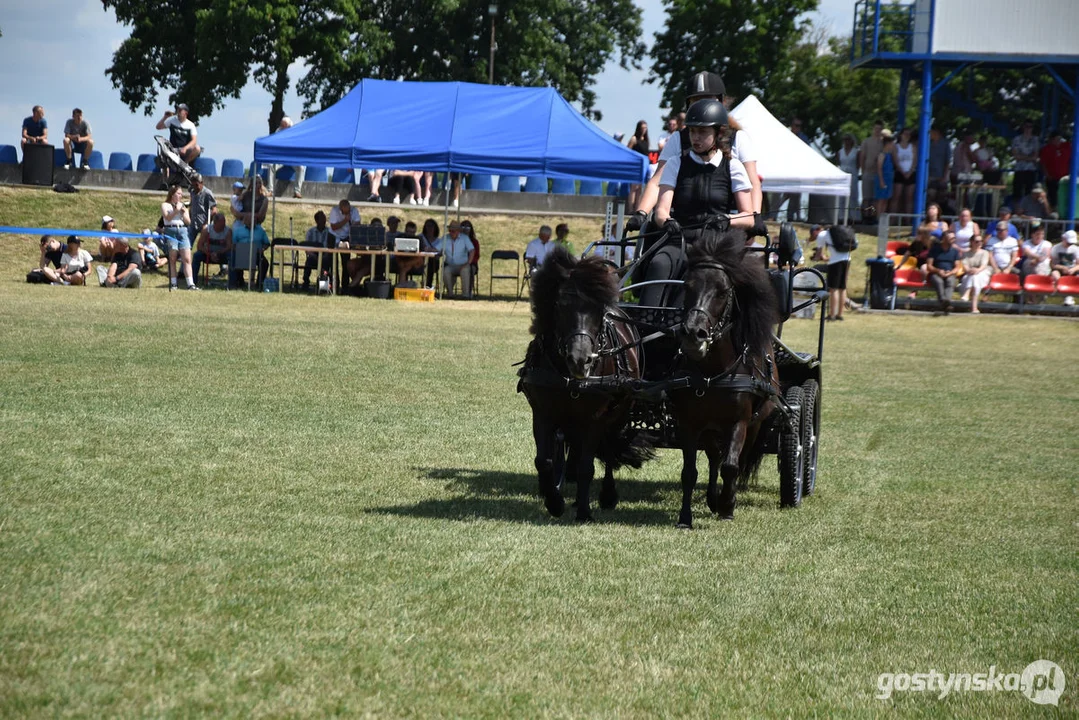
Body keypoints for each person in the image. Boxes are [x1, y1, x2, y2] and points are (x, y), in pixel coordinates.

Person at [645, 99, 756, 307]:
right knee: (659, 263)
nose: (696, 137)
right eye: (692, 131)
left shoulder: (733, 167)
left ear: (717, 134)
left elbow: (748, 217)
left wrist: (728, 220)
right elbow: (661, 210)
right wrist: (666, 221)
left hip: (717, 247)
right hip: (680, 242)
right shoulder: (675, 164)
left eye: (702, 132)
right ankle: (645, 326)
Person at [633, 71, 762, 224]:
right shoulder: (678, 139)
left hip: (728, 222)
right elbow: (656, 182)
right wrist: (641, 212)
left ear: (720, 102)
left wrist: (754, 217)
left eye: (707, 100)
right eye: (696, 101)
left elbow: (753, 183)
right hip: (682, 223)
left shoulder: (738, 138)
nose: (702, 106)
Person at [231, 178, 270, 288]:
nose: (257, 185)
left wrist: (245, 215)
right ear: (251, 184)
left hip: (256, 228)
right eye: (255, 183)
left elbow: (260, 216)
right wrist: (247, 216)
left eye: (259, 183)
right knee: (237, 255)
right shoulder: (245, 196)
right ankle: (240, 281)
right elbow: (233, 209)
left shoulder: (264, 200)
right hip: (242, 227)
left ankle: (258, 283)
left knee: (263, 262)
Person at [160, 185, 197, 290]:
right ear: (172, 194)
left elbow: (188, 222)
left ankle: (190, 284)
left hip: (182, 231)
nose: (181, 196)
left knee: (187, 258)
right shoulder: (165, 205)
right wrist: (176, 210)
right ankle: (173, 283)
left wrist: (184, 212)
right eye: (178, 193)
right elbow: (167, 217)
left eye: (181, 193)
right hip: (171, 230)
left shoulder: (182, 207)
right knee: (172, 258)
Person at [811, 225, 851, 321]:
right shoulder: (839, 233)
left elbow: (819, 253)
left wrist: (816, 258)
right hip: (847, 259)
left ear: (818, 230)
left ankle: (832, 315)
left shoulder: (822, 235)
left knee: (833, 288)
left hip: (835, 262)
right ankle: (840, 314)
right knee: (842, 287)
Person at [435, 220, 475, 298]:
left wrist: (468, 263)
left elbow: (472, 250)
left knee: (465, 270)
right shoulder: (445, 238)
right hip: (450, 265)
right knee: (445, 270)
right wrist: (429, 249)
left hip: (463, 264)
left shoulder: (465, 238)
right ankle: (450, 294)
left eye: (453, 231)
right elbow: (437, 249)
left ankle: (465, 295)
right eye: (450, 230)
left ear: (458, 231)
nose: (451, 232)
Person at [926, 230, 961, 314]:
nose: (953, 240)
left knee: (950, 281)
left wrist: (950, 273)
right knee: (939, 281)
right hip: (936, 273)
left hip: (949, 273)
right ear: (944, 239)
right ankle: (945, 302)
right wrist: (938, 271)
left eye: (954, 238)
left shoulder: (955, 251)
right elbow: (929, 266)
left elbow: (957, 267)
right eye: (951, 238)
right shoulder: (934, 250)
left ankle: (945, 302)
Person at [192, 212, 233, 284]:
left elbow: (229, 246)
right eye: (221, 223)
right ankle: (193, 281)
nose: (223, 225)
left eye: (224, 223)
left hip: (222, 254)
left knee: (232, 256)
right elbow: (199, 246)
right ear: (215, 223)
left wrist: (218, 253)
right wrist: (210, 254)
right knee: (196, 255)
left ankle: (233, 282)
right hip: (208, 254)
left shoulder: (228, 231)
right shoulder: (206, 230)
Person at [328, 198, 360, 285]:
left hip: (346, 236)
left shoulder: (354, 211)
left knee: (346, 262)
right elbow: (334, 226)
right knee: (333, 262)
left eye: (347, 212)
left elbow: (357, 223)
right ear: (340, 209)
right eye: (344, 212)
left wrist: (352, 225)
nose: (346, 213)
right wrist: (345, 220)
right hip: (334, 235)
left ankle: (345, 286)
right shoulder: (334, 211)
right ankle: (335, 284)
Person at [857, 120, 885, 216]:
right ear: (873, 129)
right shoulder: (866, 141)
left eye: (879, 129)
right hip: (868, 172)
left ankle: (873, 216)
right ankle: (864, 216)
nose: (877, 131)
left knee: (875, 198)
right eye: (876, 129)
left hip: (878, 174)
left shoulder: (883, 143)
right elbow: (862, 156)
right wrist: (863, 170)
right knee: (866, 197)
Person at [958, 234, 991, 312]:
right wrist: (970, 270)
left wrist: (977, 270)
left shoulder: (985, 253)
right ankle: (974, 308)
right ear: (971, 242)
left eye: (981, 241)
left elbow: (984, 265)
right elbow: (965, 266)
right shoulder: (966, 254)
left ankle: (967, 292)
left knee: (975, 277)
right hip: (970, 274)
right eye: (977, 241)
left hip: (983, 273)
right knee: (974, 279)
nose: (979, 243)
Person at [300, 210, 331, 290]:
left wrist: (324, 256)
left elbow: (330, 246)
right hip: (313, 255)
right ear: (316, 221)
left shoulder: (330, 232)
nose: (324, 221)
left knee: (327, 260)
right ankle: (305, 283)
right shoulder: (310, 232)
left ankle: (323, 285)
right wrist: (314, 256)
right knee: (309, 260)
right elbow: (307, 249)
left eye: (324, 218)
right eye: (322, 219)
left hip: (325, 255)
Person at [275, 116, 305, 198]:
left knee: (301, 168)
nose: (283, 127)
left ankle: (297, 191)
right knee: (271, 166)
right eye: (282, 125)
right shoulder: (278, 131)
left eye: (284, 126)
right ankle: (270, 190)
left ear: (288, 126)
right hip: (281, 157)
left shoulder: (294, 131)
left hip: (291, 158)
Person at [1039, 129, 1072, 204]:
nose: (1058, 141)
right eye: (1056, 139)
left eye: (1059, 139)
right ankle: (1054, 212)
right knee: (1053, 198)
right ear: (1051, 139)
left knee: (1065, 196)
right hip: (1052, 179)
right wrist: (1047, 175)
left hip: (1065, 178)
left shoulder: (1067, 147)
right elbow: (1043, 164)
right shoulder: (1046, 149)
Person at [1011, 120, 1040, 201]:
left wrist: (1022, 156)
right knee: (1017, 192)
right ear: (1023, 127)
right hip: (1019, 169)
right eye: (1026, 126)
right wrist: (1029, 157)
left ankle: (1027, 211)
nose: (1028, 129)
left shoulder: (1035, 140)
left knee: (1029, 192)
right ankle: (1016, 210)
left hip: (1031, 169)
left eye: (1030, 127)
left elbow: (1035, 156)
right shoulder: (1016, 139)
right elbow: (1016, 156)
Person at [187, 173, 217, 248]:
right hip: (193, 223)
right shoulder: (192, 192)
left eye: (196, 185)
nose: (195, 187)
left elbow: (214, 210)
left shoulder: (207, 193)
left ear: (201, 183)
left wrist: (206, 224)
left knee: (204, 246)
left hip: (204, 224)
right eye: (193, 185)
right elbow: (191, 205)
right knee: (187, 245)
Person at [626, 120, 651, 208]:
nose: (644, 130)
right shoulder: (634, 139)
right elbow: (628, 151)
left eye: (645, 128)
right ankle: (630, 208)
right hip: (635, 165)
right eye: (642, 128)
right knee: (634, 187)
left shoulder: (646, 140)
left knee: (640, 188)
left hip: (644, 165)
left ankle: (637, 207)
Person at [892, 127, 916, 215]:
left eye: (908, 134)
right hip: (899, 173)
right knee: (896, 197)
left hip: (910, 173)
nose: (907, 136)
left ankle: (908, 219)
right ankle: (893, 219)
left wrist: (909, 172)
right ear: (901, 135)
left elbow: (914, 161)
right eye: (905, 134)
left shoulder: (912, 146)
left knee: (909, 198)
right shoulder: (896, 146)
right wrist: (902, 172)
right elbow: (895, 161)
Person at [1050, 230, 1078, 305]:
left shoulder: (1075, 249)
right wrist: (1062, 268)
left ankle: (1069, 296)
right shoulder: (1055, 248)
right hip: (1059, 269)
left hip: (1072, 270)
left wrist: (1073, 269)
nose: (1069, 244)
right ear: (1063, 239)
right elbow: (1053, 264)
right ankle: (1065, 295)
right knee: (1055, 275)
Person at [926, 125, 951, 206]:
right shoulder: (928, 144)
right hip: (930, 175)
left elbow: (947, 161)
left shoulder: (945, 144)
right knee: (930, 195)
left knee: (942, 197)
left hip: (941, 175)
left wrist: (944, 176)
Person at [837, 133, 859, 223]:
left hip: (852, 174)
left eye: (848, 139)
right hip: (843, 175)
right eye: (844, 140)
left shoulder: (856, 151)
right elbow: (839, 163)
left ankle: (854, 217)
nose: (846, 142)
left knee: (853, 196)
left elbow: (858, 164)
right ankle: (841, 217)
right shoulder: (840, 152)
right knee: (841, 197)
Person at [874, 132, 896, 220]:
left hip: (888, 179)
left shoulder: (890, 155)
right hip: (882, 179)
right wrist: (881, 181)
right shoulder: (882, 155)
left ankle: (883, 219)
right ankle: (878, 218)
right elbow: (879, 169)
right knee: (881, 200)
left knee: (886, 200)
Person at [460, 220, 480, 289]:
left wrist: (469, 262)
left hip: (471, 264)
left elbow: (476, 256)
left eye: (468, 227)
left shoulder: (475, 242)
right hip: (458, 263)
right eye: (463, 226)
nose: (465, 229)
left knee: (469, 269)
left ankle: (469, 290)